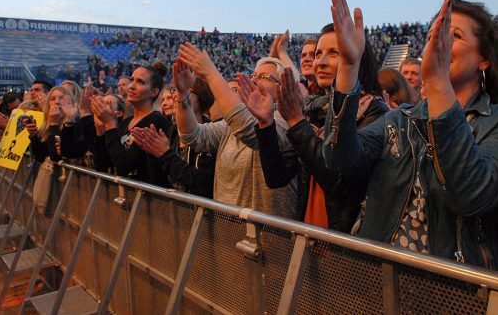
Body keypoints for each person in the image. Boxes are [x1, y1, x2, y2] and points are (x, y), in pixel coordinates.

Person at [323, 0, 498, 272]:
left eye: (453, 35)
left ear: (483, 59)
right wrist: (349, 68)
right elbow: (342, 159)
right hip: (378, 281)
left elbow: (471, 193)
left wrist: (438, 84)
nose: (437, 41)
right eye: (432, 35)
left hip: (456, 294)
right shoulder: (401, 118)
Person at [242, 23, 388, 232]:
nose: (321, 62)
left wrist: (296, 122)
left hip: (348, 245)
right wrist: (266, 124)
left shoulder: (375, 113)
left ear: (357, 58)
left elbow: (340, 185)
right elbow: (277, 177)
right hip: (309, 236)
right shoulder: (316, 109)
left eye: (334, 53)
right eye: (319, 54)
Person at [175, 43, 295, 217]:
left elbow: (253, 133)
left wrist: (211, 74)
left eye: (265, 76)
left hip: (269, 236)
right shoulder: (228, 126)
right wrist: (183, 93)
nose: (253, 80)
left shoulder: (286, 120)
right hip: (226, 230)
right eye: (253, 74)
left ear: (283, 88)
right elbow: (192, 136)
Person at [131, 77, 216, 198]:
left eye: (185, 90)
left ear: (201, 96)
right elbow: (160, 180)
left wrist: (165, 155)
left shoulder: (212, 133)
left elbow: (202, 183)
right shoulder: (172, 132)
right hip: (172, 209)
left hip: (199, 212)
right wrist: (153, 154)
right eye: (175, 90)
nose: (177, 96)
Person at [91, 66, 170, 186]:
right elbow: (103, 165)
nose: (131, 86)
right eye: (132, 80)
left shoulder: (156, 121)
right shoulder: (126, 122)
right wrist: (100, 129)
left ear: (154, 92)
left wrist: (110, 124)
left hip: (150, 200)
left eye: (140, 82)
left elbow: (124, 167)